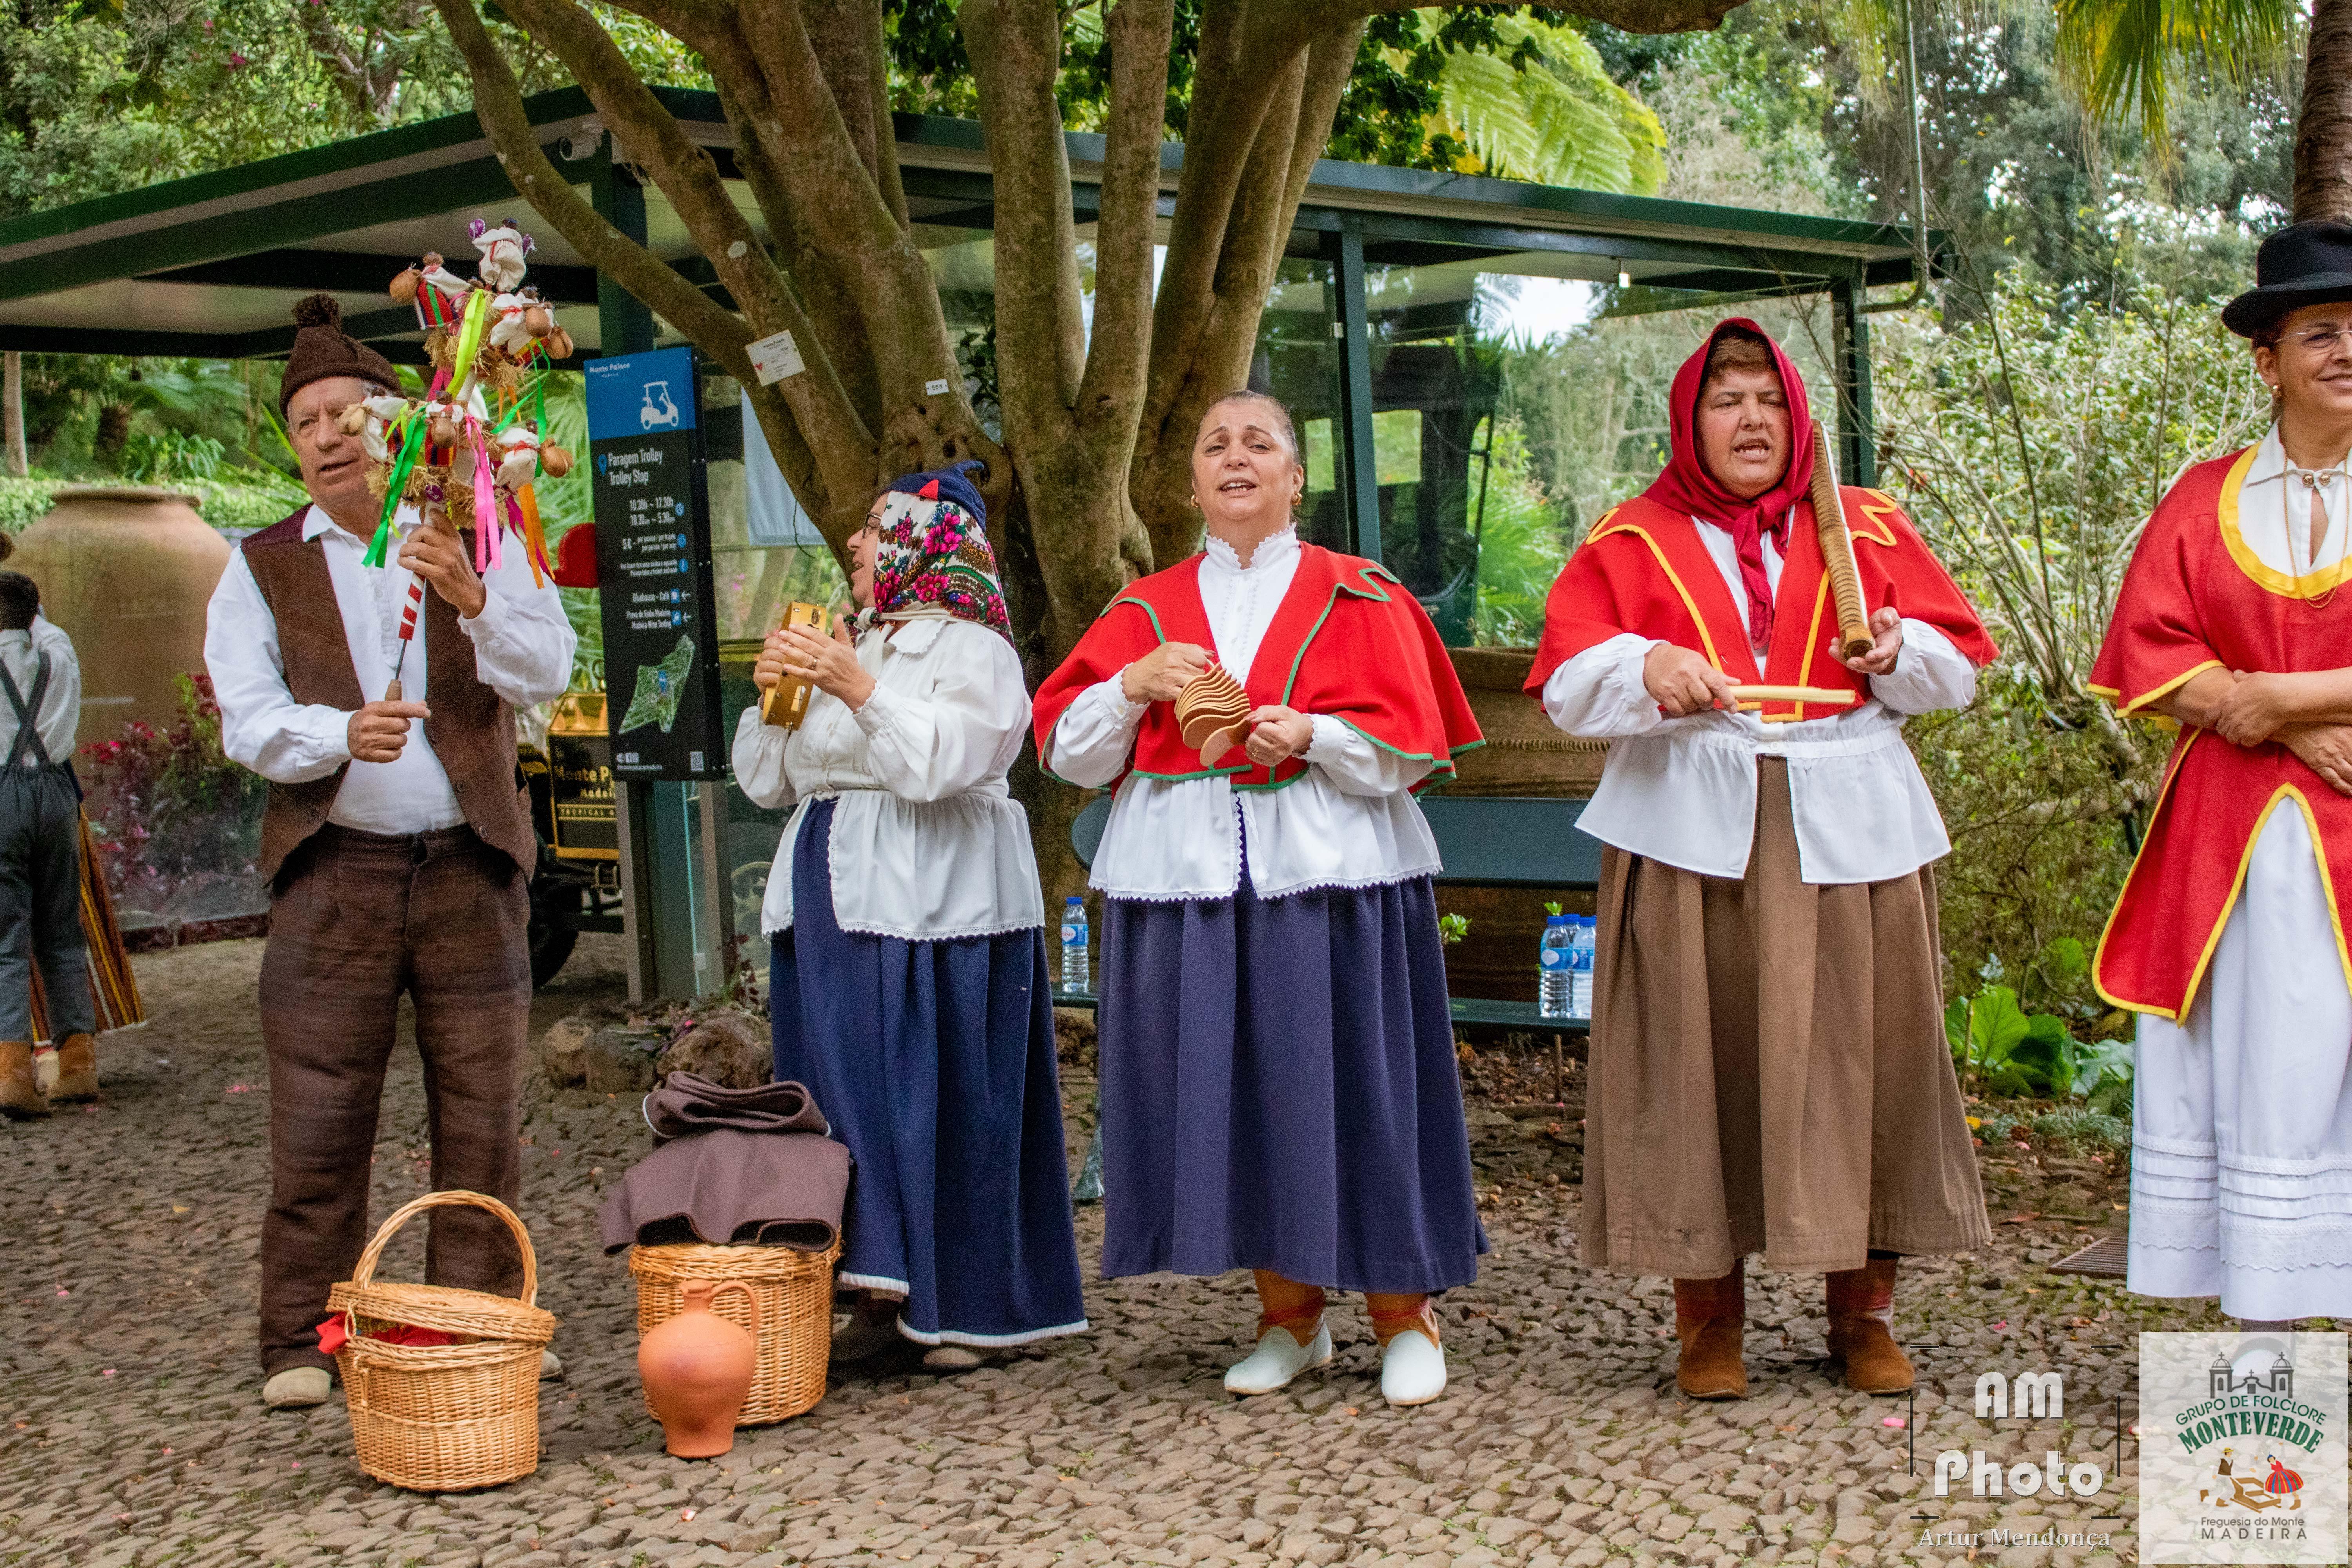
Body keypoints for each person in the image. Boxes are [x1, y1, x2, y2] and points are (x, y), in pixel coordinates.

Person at [1528, 320, 1996, 1399]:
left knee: (1864, 1059)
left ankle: (1863, 1312)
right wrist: (1646, 664)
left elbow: (1959, 667)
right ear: (1690, 421)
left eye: (1771, 399)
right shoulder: (1633, 538)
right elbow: (1567, 685)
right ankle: (1709, 1319)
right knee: (1696, 1064)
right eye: (1727, 400)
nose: (1752, 420)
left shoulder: (1865, 526)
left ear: (1799, 415)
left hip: (1850, 826)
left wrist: (1897, 649)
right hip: (1692, 829)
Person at [1034, 390, 1485, 1408]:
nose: (1235, 457)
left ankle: (1405, 1316)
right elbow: (1071, 750)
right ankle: (1289, 1317)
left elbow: (1409, 750)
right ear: (1192, 483)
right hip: (1189, 879)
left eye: (1259, 442)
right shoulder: (1142, 613)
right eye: (1215, 445)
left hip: (1331, 874)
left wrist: (1315, 735)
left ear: (1295, 476)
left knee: (1361, 1087)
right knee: (1242, 1097)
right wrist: (1132, 685)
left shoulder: (1361, 593)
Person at [203, 295, 576, 1408]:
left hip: (472, 867)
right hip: (334, 874)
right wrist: (337, 735)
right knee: (319, 1120)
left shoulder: (478, 525)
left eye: (345, 414)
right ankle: (302, 1338)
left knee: (483, 1118)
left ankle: (481, 1324)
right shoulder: (260, 564)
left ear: (395, 421)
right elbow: (245, 719)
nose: (325, 436)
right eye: (304, 422)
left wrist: (474, 597)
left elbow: (549, 670)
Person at [733, 462, 1087, 1370]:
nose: (854, 542)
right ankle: (875, 1289)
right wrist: (774, 698)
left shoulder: (976, 650)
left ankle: (969, 1305)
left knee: (941, 1092)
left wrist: (856, 687)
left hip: (937, 904)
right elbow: (767, 781)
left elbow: (939, 765)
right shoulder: (849, 639)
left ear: (925, 542)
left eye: (872, 526)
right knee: (838, 1098)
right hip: (827, 896)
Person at [2089, 219, 2352, 1329]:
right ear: (2267, 359)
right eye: (2322, 332)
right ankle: (2268, 1333)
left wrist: (2281, 700)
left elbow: (2243, 688)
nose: (2347, 351)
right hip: (2231, 850)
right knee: (2255, 1060)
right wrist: (2293, 728)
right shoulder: (2206, 498)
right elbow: (2148, 652)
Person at [0, 570, 95, 1118]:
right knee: (62, 930)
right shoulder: (58, 651)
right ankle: (78, 1063)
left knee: (5, 939)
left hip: (2, 796)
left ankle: (12, 1074)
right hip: (57, 794)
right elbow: (41, 630)